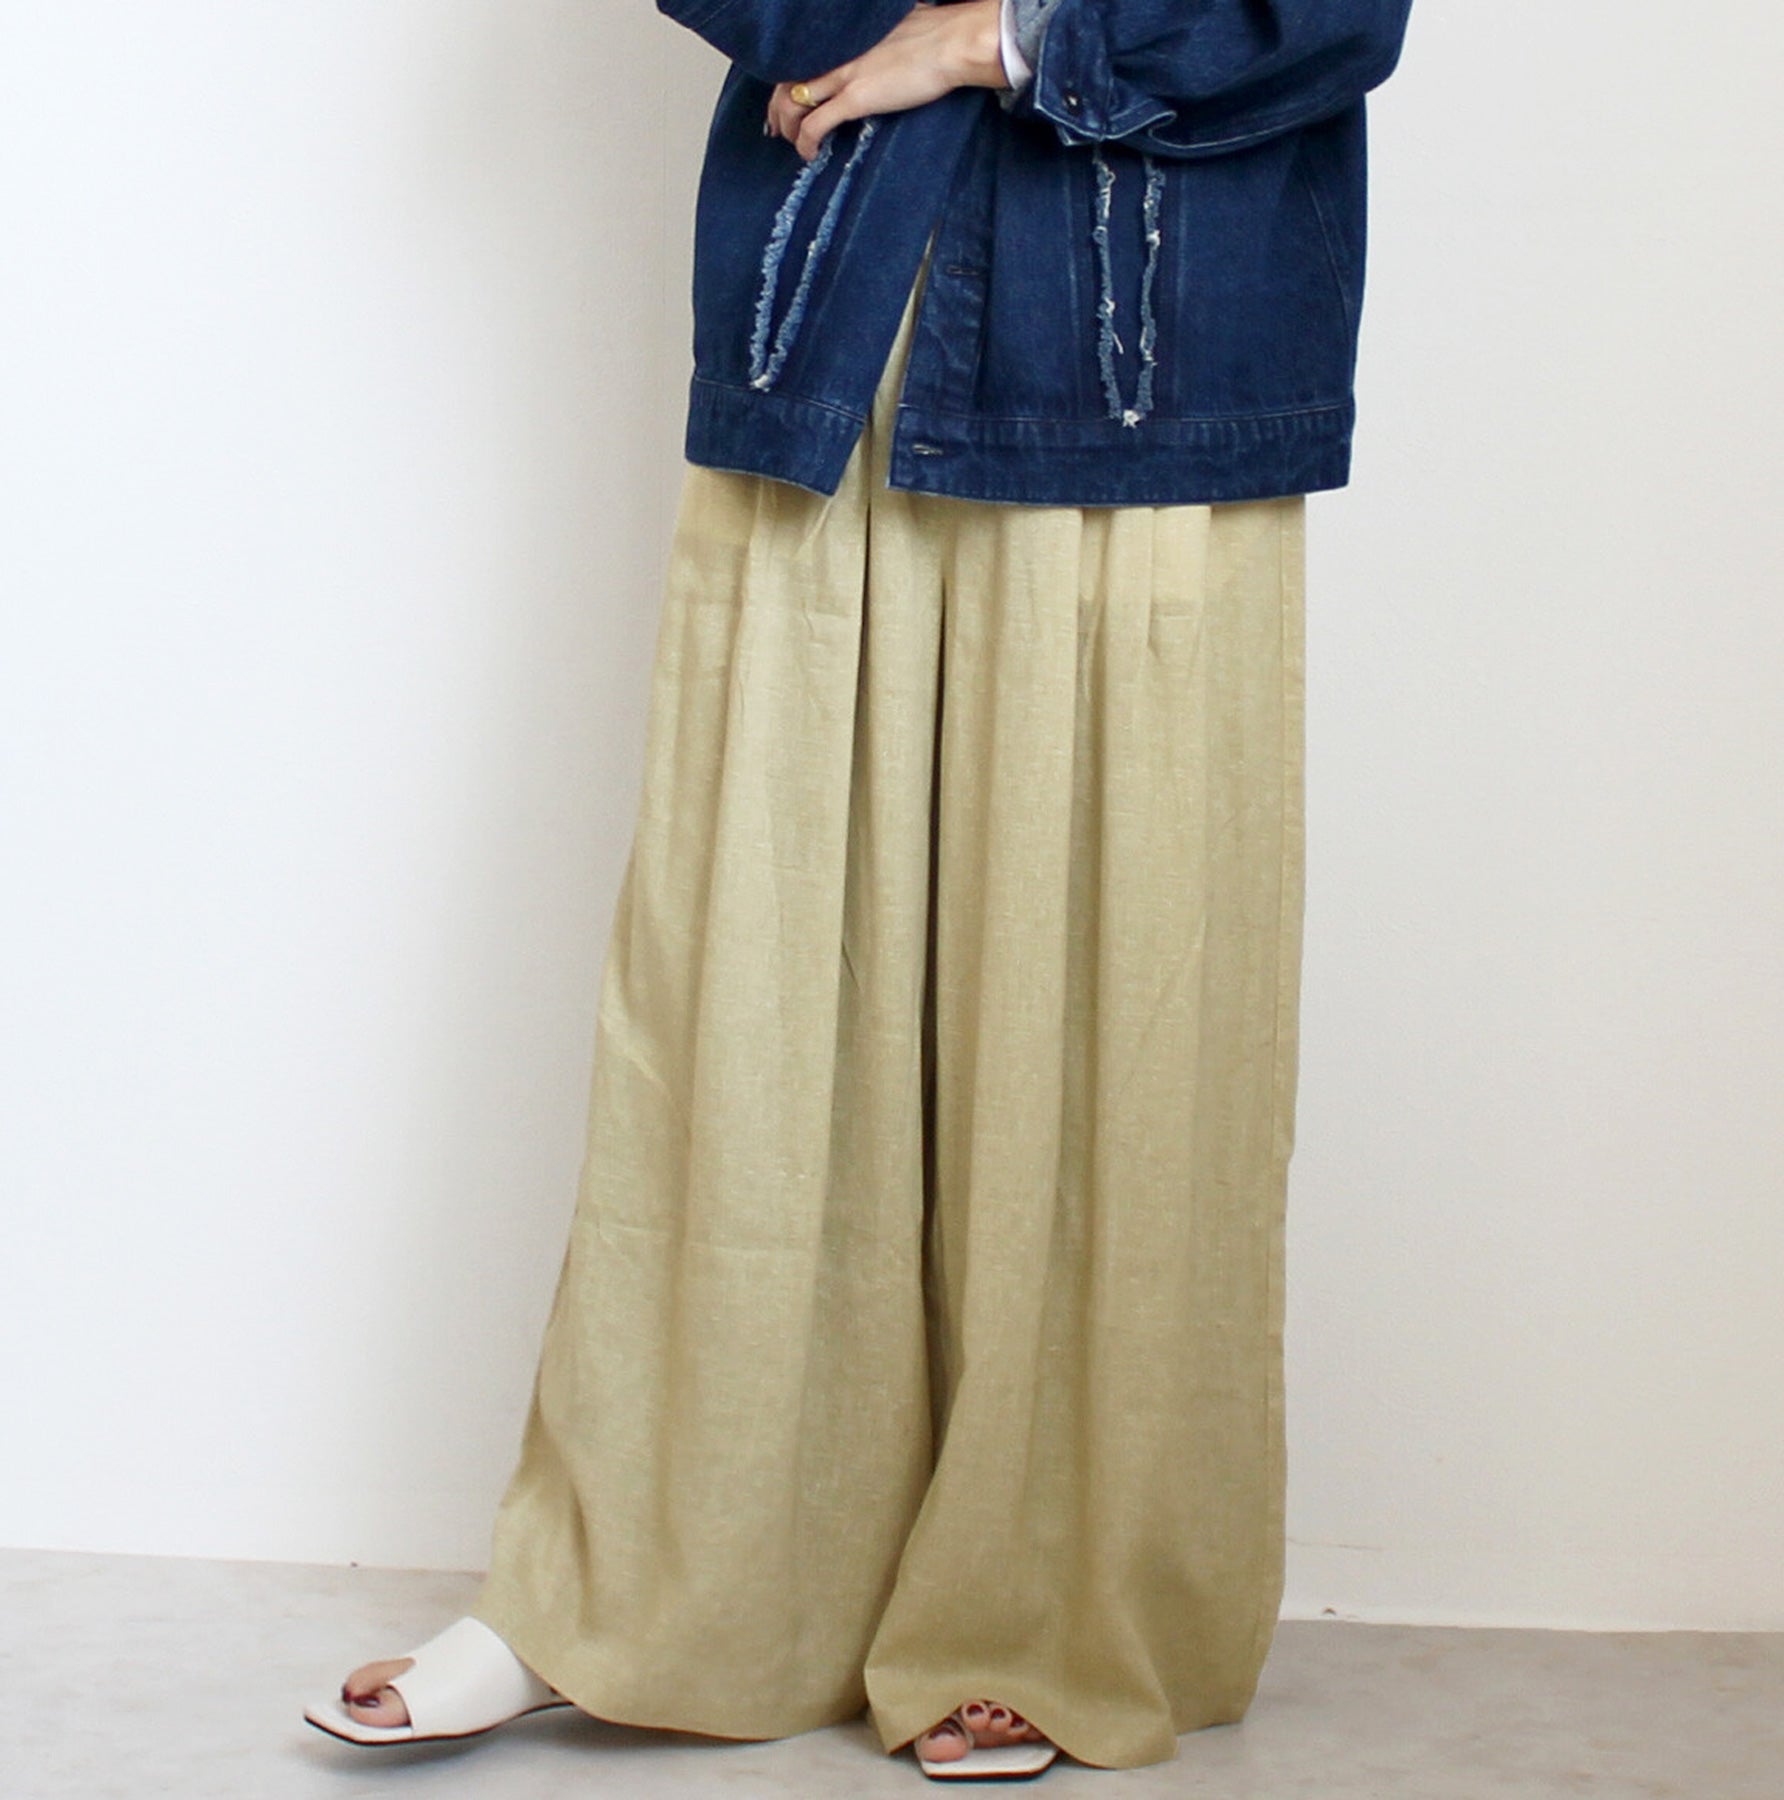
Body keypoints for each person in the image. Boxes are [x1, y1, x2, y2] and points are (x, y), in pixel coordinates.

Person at [302, 0, 1414, 1779]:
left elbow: (1330, 17)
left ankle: (1050, 1612)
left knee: (1109, 1013)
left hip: (1147, 353)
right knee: (746, 996)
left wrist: (1001, 38)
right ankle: (633, 1582)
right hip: (835, 311)